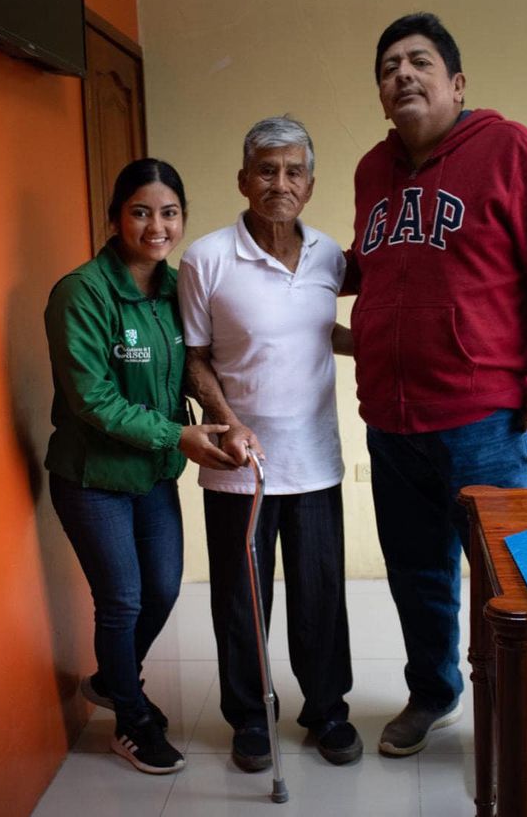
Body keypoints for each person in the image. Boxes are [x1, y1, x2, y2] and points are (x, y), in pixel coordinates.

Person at [343, 13, 527, 757]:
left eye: (419, 61)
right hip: (391, 424)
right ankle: (434, 694)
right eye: (389, 67)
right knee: (416, 573)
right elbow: (371, 266)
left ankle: (521, 706)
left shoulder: (512, 150)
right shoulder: (371, 170)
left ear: (456, 83)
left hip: (488, 422)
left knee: (507, 579)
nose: (402, 74)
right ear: (381, 95)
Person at [177, 116, 362, 771]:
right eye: (267, 170)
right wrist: (228, 420)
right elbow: (194, 357)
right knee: (240, 600)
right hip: (240, 466)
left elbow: (314, 329)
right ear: (243, 179)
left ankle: (327, 710)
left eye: (293, 171)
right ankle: (250, 719)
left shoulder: (330, 256)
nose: (280, 183)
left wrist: (374, 345)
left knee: (321, 594)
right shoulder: (205, 258)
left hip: (315, 462)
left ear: (310, 184)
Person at [44, 159, 230, 774]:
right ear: (115, 218)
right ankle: (130, 720)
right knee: (122, 601)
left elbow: (198, 364)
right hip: (92, 477)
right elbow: (92, 399)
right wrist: (177, 435)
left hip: (151, 472)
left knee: (163, 588)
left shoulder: (178, 288)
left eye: (169, 213)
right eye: (141, 212)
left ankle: (112, 680)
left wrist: (226, 418)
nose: (157, 226)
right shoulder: (81, 292)